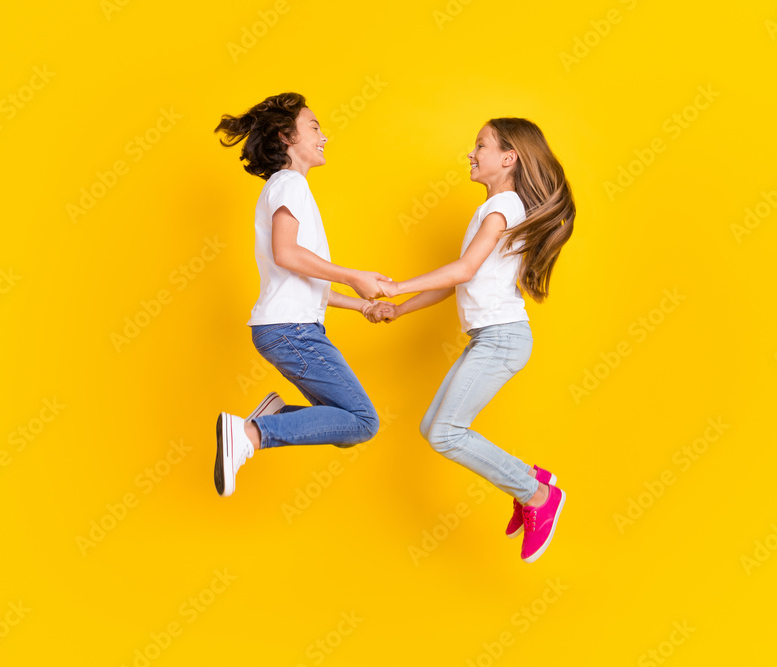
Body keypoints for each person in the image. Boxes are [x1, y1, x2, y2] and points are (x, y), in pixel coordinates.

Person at [371, 118, 576, 562]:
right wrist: (400, 308)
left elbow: (462, 271)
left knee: (446, 433)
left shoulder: (502, 207)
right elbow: (457, 280)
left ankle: (537, 494)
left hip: (501, 339)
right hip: (489, 337)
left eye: (480, 145)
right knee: (434, 429)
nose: (471, 153)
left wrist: (395, 286)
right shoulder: (495, 208)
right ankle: (529, 480)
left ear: (509, 157)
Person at [212, 92, 390, 497]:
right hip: (291, 329)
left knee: (345, 426)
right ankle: (250, 433)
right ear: (285, 137)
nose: (324, 136)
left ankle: (271, 417)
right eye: (314, 127)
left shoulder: (289, 186)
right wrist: (354, 277)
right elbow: (287, 253)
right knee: (363, 421)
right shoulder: (290, 183)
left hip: (290, 325)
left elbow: (301, 280)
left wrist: (361, 304)